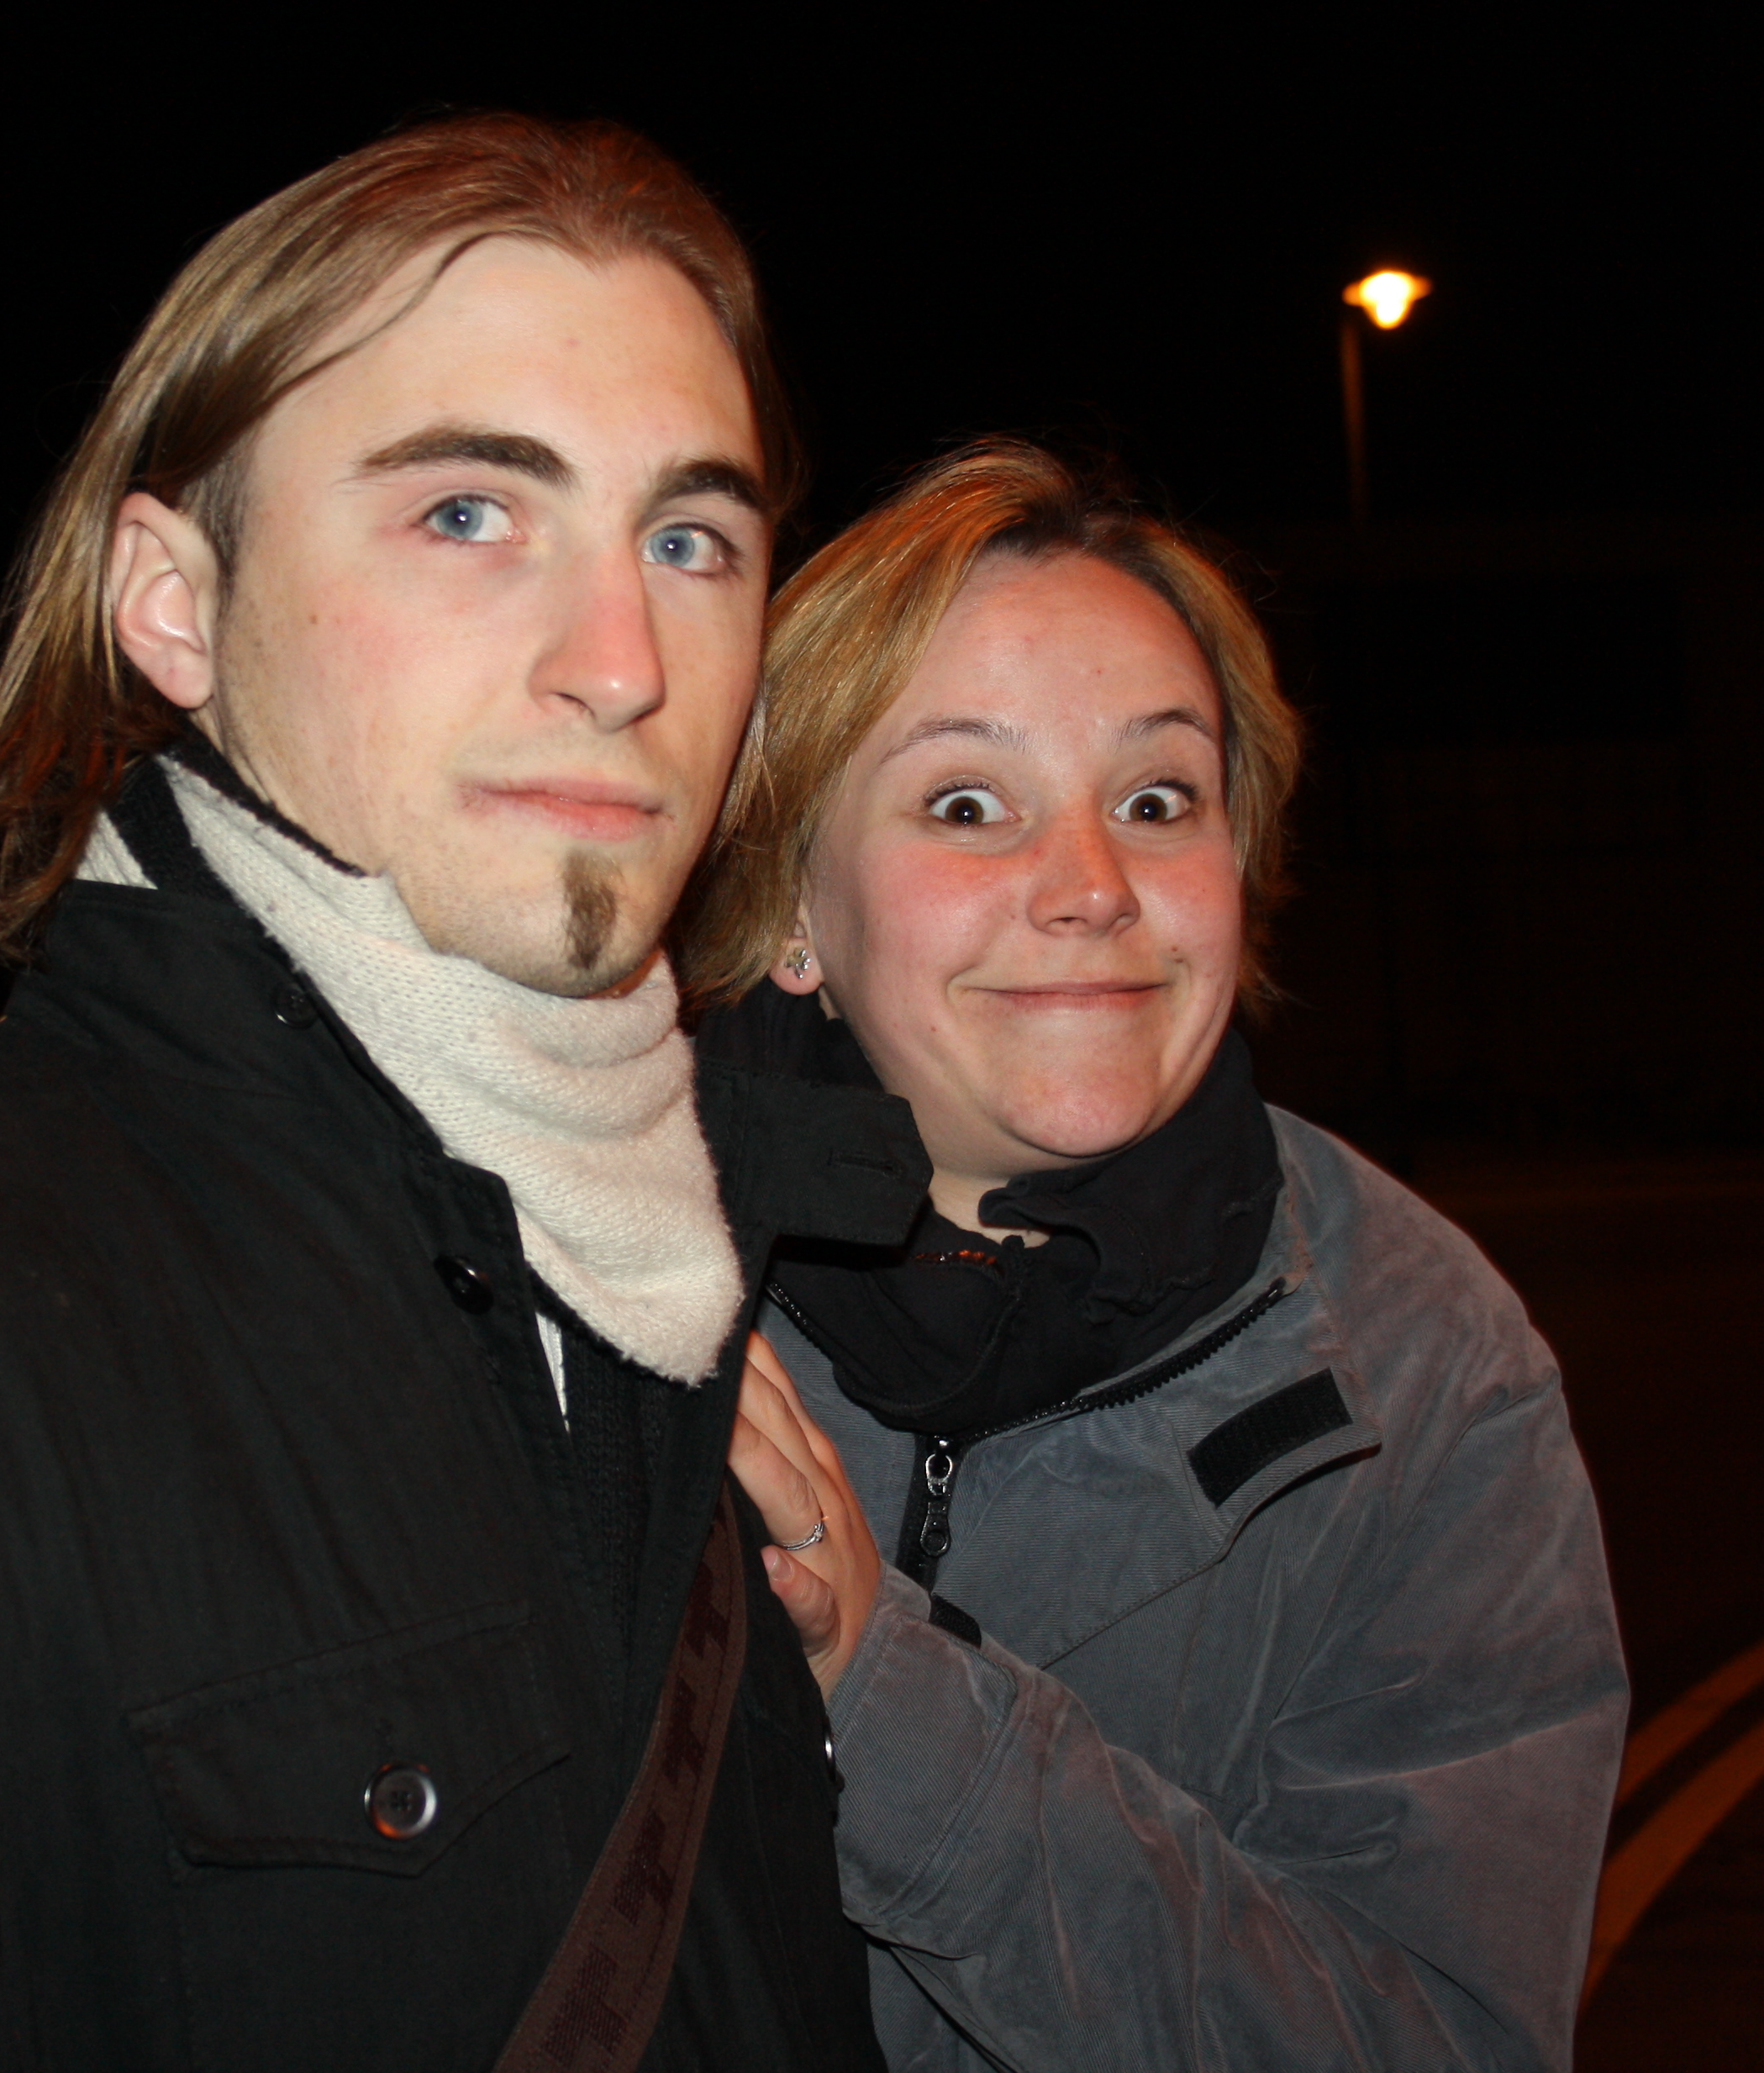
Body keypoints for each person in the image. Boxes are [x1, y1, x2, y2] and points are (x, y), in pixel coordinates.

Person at [0, 114, 926, 2071]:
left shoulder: (722, 1270)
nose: (623, 659)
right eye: (468, 513)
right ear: (173, 601)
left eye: (690, 539)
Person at [694, 440, 1629, 2070]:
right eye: (968, 804)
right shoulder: (588, 1299)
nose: (1093, 887)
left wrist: (884, 1697)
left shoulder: (1420, 1362)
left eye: (1156, 800)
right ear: (791, 907)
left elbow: (1441, 2039)